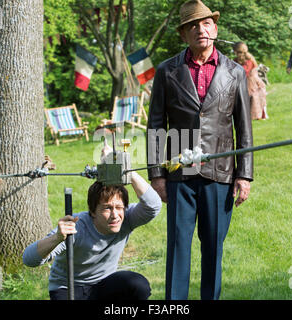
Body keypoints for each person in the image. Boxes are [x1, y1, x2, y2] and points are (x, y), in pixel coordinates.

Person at [147, 0, 253, 300]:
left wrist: (244, 175)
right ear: (184, 34)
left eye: (206, 23)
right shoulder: (167, 71)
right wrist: (157, 175)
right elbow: (156, 124)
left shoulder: (235, 72)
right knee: (179, 246)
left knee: (213, 246)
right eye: (193, 25)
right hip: (179, 171)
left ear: (215, 28)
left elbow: (244, 128)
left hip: (221, 172)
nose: (200, 30)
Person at [23, 171, 162, 300]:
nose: (115, 215)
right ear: (93, 211)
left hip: (104, 284)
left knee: (138, 285)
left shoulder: (127, 219)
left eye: (119, 207)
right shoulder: (76, 227)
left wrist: (129, 172)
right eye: (107, 208)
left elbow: (154, 205)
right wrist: (57, 238)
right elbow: (29, 259)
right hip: (68, 288)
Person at [233, 41, 268, 120]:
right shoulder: (235, 60)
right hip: (245, 83)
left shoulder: (249, 61)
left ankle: (258, 115)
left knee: (255, 99)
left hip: (252, 83)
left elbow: (246, 71)